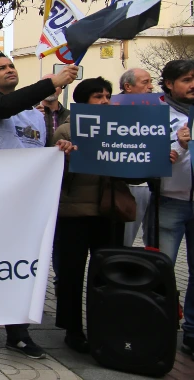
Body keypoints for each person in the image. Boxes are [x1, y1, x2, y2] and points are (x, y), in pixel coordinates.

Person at [0, 51, 79, 360]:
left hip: (25, 205)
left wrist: (58, 151)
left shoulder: (35, 115)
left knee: (21, 270)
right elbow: (6, 106)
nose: (9, 70)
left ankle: (18, 334)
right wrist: (51, 82)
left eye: (11, 66)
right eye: (1, 68)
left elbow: (39, 156)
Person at [50, 77, 130, 353]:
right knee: (72, 273)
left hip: (109, 211)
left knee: (108, 273)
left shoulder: (120, 130)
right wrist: (65, 155)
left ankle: (105, 326)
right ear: (84, 102)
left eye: (107, 96)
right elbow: (53, 174)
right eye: (98, 97)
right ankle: (73, 329)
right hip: (74, 212)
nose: (105, 101)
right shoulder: (66, 131)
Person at [144, 59, 194, 356]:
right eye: (187, 79)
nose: (192, 85)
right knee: (159, 270)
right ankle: (155, 330)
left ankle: (191, 333)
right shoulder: (155, 115)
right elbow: (144, 157)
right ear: (170, 84)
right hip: (169, 201)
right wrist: (175, 146)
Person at [118, 67, 154, 247]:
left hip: (154, 184)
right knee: (125, 239)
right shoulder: (113, 109)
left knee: (154, 240)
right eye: (145, 82)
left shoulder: (157, 109)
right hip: (127, 185)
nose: (151, 87)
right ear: (128, 87)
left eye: (151, 81)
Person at [38, 74, 71, 147]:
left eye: (55, 85)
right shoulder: (29, 114)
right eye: (45, 86)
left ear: (61, 90)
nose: (50, 89)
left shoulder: (70, 116)